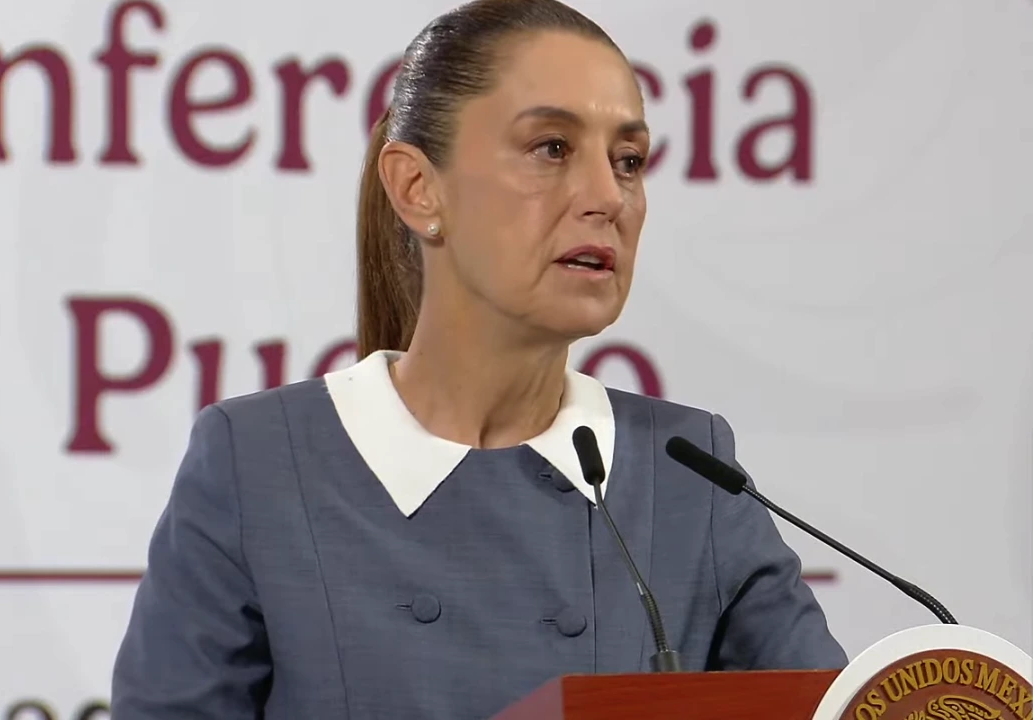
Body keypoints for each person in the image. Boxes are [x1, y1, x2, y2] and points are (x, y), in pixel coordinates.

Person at [110, 0, 847, 717]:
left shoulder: (687, 472)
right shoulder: (257, 464)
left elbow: (842, 707)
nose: (607, 197)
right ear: (418, 188)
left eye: (628, 161)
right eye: (552, 148)